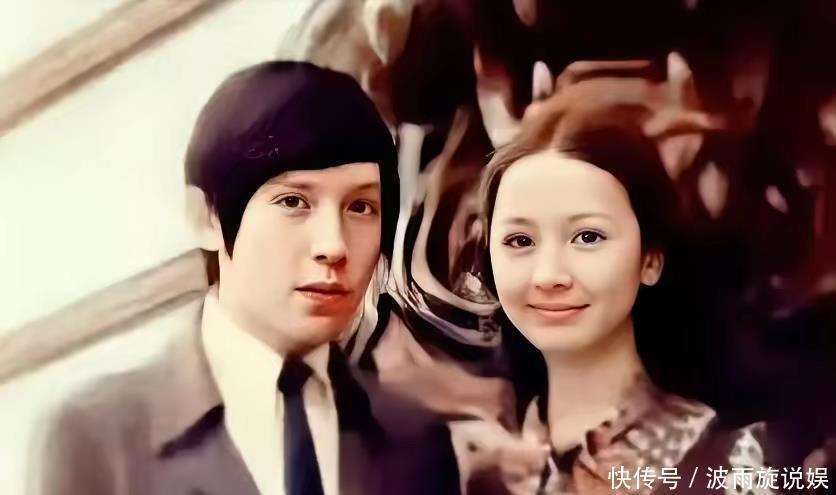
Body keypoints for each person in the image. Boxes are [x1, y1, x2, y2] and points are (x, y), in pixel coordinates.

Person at [29, 61, 460, 495]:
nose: (334, 246)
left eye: (360, 207)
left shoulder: (417, 443)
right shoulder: (96, 439)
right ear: (207, 218)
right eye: (293, 202)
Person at [470, 108, 773, 494]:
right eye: (520, 241)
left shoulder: (731, 463)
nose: (548, 276)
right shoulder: (480, 469)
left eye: (588, 237)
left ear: (650, 259)